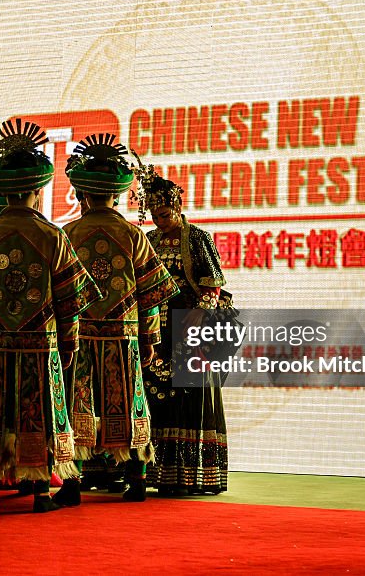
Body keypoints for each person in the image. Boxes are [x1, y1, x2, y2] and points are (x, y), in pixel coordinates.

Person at [0, 119, 101, 512]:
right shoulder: (52, 236)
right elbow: (71, 298)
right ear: (36, 190)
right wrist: (70, 343)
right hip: (41, 346)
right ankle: (42, 491)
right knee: (40, 411)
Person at [60, 135, 178, 504]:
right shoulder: (132, 235)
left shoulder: (68, 234)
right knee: (130, 403)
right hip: (123, 338)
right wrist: (150, 340)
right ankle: (137, 479)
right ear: (117, 195)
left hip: (80, 337)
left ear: (83, 195)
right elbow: (151, 297)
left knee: (78, 404)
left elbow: (60, 296)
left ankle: (71, 483)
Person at [136, 166, 229, 495]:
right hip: (156, 328)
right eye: (155, 216)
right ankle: (155, 471)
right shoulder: (149, 240)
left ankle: (192, 475)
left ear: (177, 208)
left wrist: (199, 315)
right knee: (155, 397)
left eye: (164, 214)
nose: (159, 222)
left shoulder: (199, 237)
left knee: (189, 396)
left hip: (191, 326)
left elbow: (214, 284)